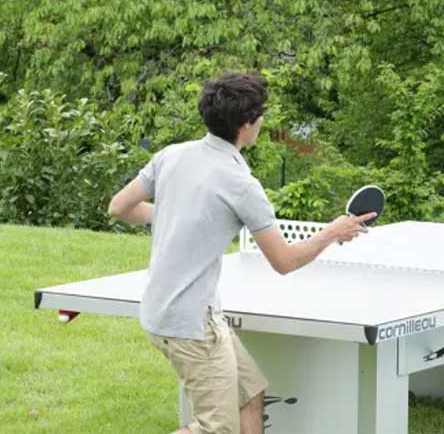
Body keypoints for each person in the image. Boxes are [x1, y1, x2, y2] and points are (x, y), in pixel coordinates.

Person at [107, 73, 374, 433]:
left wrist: (178, 221)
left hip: (167, 309)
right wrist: (331, 232)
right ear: (247, 124)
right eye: (260, 114)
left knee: (250, 396)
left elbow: (119, 207)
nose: (262, 120)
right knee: (217, 428)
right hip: (190, 324)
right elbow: (284, 262)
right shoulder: (242, 185)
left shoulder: (172, 155)